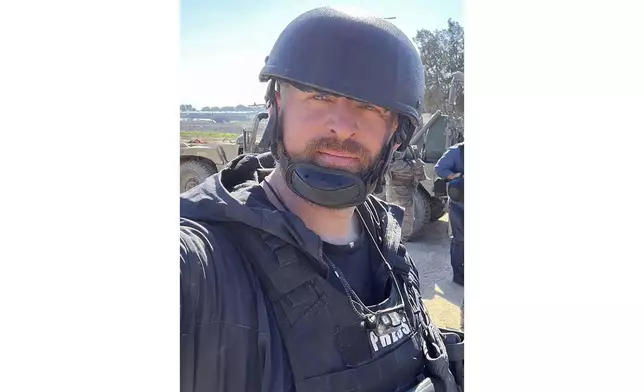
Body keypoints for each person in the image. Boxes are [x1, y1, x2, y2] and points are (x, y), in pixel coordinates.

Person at [180, 7, 464, 392]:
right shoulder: (203, 267)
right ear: (276, 104)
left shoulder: (387, 243)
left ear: (396, 131)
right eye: (320, 96)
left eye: (370, 106)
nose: (343, 125)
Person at [434, 142, 464, 286]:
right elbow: (439, 168)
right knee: (460, 239)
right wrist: (455, 175)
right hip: (460, 205)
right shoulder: (457, 151)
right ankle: (459, 275)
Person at [385, 144, 428, 241]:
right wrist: (412, 166)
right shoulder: (396, 146)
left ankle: (401, 239)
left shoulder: (405, 144)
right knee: (400, 216)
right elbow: (390, 165)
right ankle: (398, 240)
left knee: (408, 216)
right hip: (398, 188)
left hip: (407, 187)